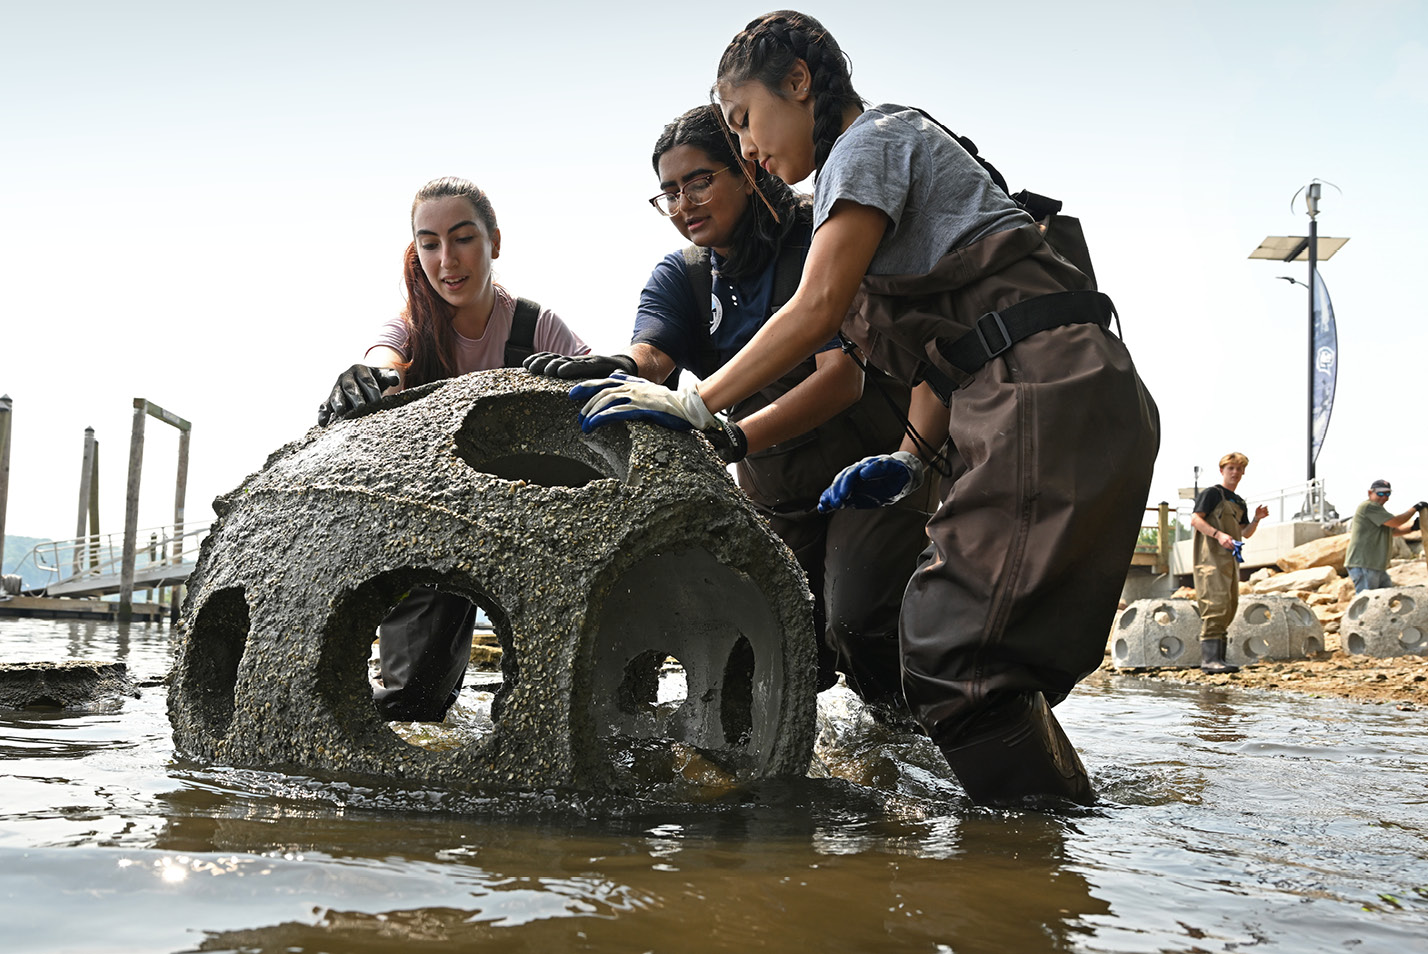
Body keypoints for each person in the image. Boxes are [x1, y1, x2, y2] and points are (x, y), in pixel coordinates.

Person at [571, 11, 1160, 806]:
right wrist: (913, 457)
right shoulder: (864, 179)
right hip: (1020, 396)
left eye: (746, 121)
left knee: (955, 658)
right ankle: (1049, 842)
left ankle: (1031, 861)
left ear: (800, 82)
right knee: (964, 658)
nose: (748, 147)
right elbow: (941, 349)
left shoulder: (868, 144)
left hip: (1043, 385)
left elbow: (816, 309)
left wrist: (702, 406)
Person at [526, 105, 933, 717]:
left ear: (747, 169)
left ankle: (911, 757)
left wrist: (734, 437)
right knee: (757, 661)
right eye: (668, 192)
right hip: (779, 498)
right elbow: (653, 357)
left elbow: (842, 378)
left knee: (857, 624)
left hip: (870, 480)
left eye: (699, 181)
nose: (683, 203)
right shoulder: (683, 274)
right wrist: (617, 368)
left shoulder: (815, 236)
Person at [317, 177, 590, 722]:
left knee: (551, 702)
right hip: (431, 541)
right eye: (430, 243)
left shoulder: (538, 326)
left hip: (526, 531)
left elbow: (594, 388)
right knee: (415, 705)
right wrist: (372, 376)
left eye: (463, 238)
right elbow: (385, 361)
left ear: (494, 241)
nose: (448, 260)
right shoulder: (409, 329)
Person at [1189, 452, 1269, 673]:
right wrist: (1218, 535)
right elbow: (1196, 519)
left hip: (1230, 562)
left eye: (1239, 469)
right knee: (1214, 604)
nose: (1235, 472)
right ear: (1222, 470)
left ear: (1243, 472)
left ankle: (1219, 659)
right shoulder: (1212, 494)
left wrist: (1256, 519)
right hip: (1210, 559)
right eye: (1230, 468)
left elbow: (1245, 532)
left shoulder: (1239, 501)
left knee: (1229, 605)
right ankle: (1209, 660)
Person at [1345, 479, 1423, 593]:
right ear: (1370, 493)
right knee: (1367, 603)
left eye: (1387, 494)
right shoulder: (1368, 506)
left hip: (1376, 566)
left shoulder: (1379, 511)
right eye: (1380, 493)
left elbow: (1393, 531)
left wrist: (1413, 528)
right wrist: (1415, 508)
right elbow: (1395, 521)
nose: (1384, 497)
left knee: (1384, 600)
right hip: (1364, 564)